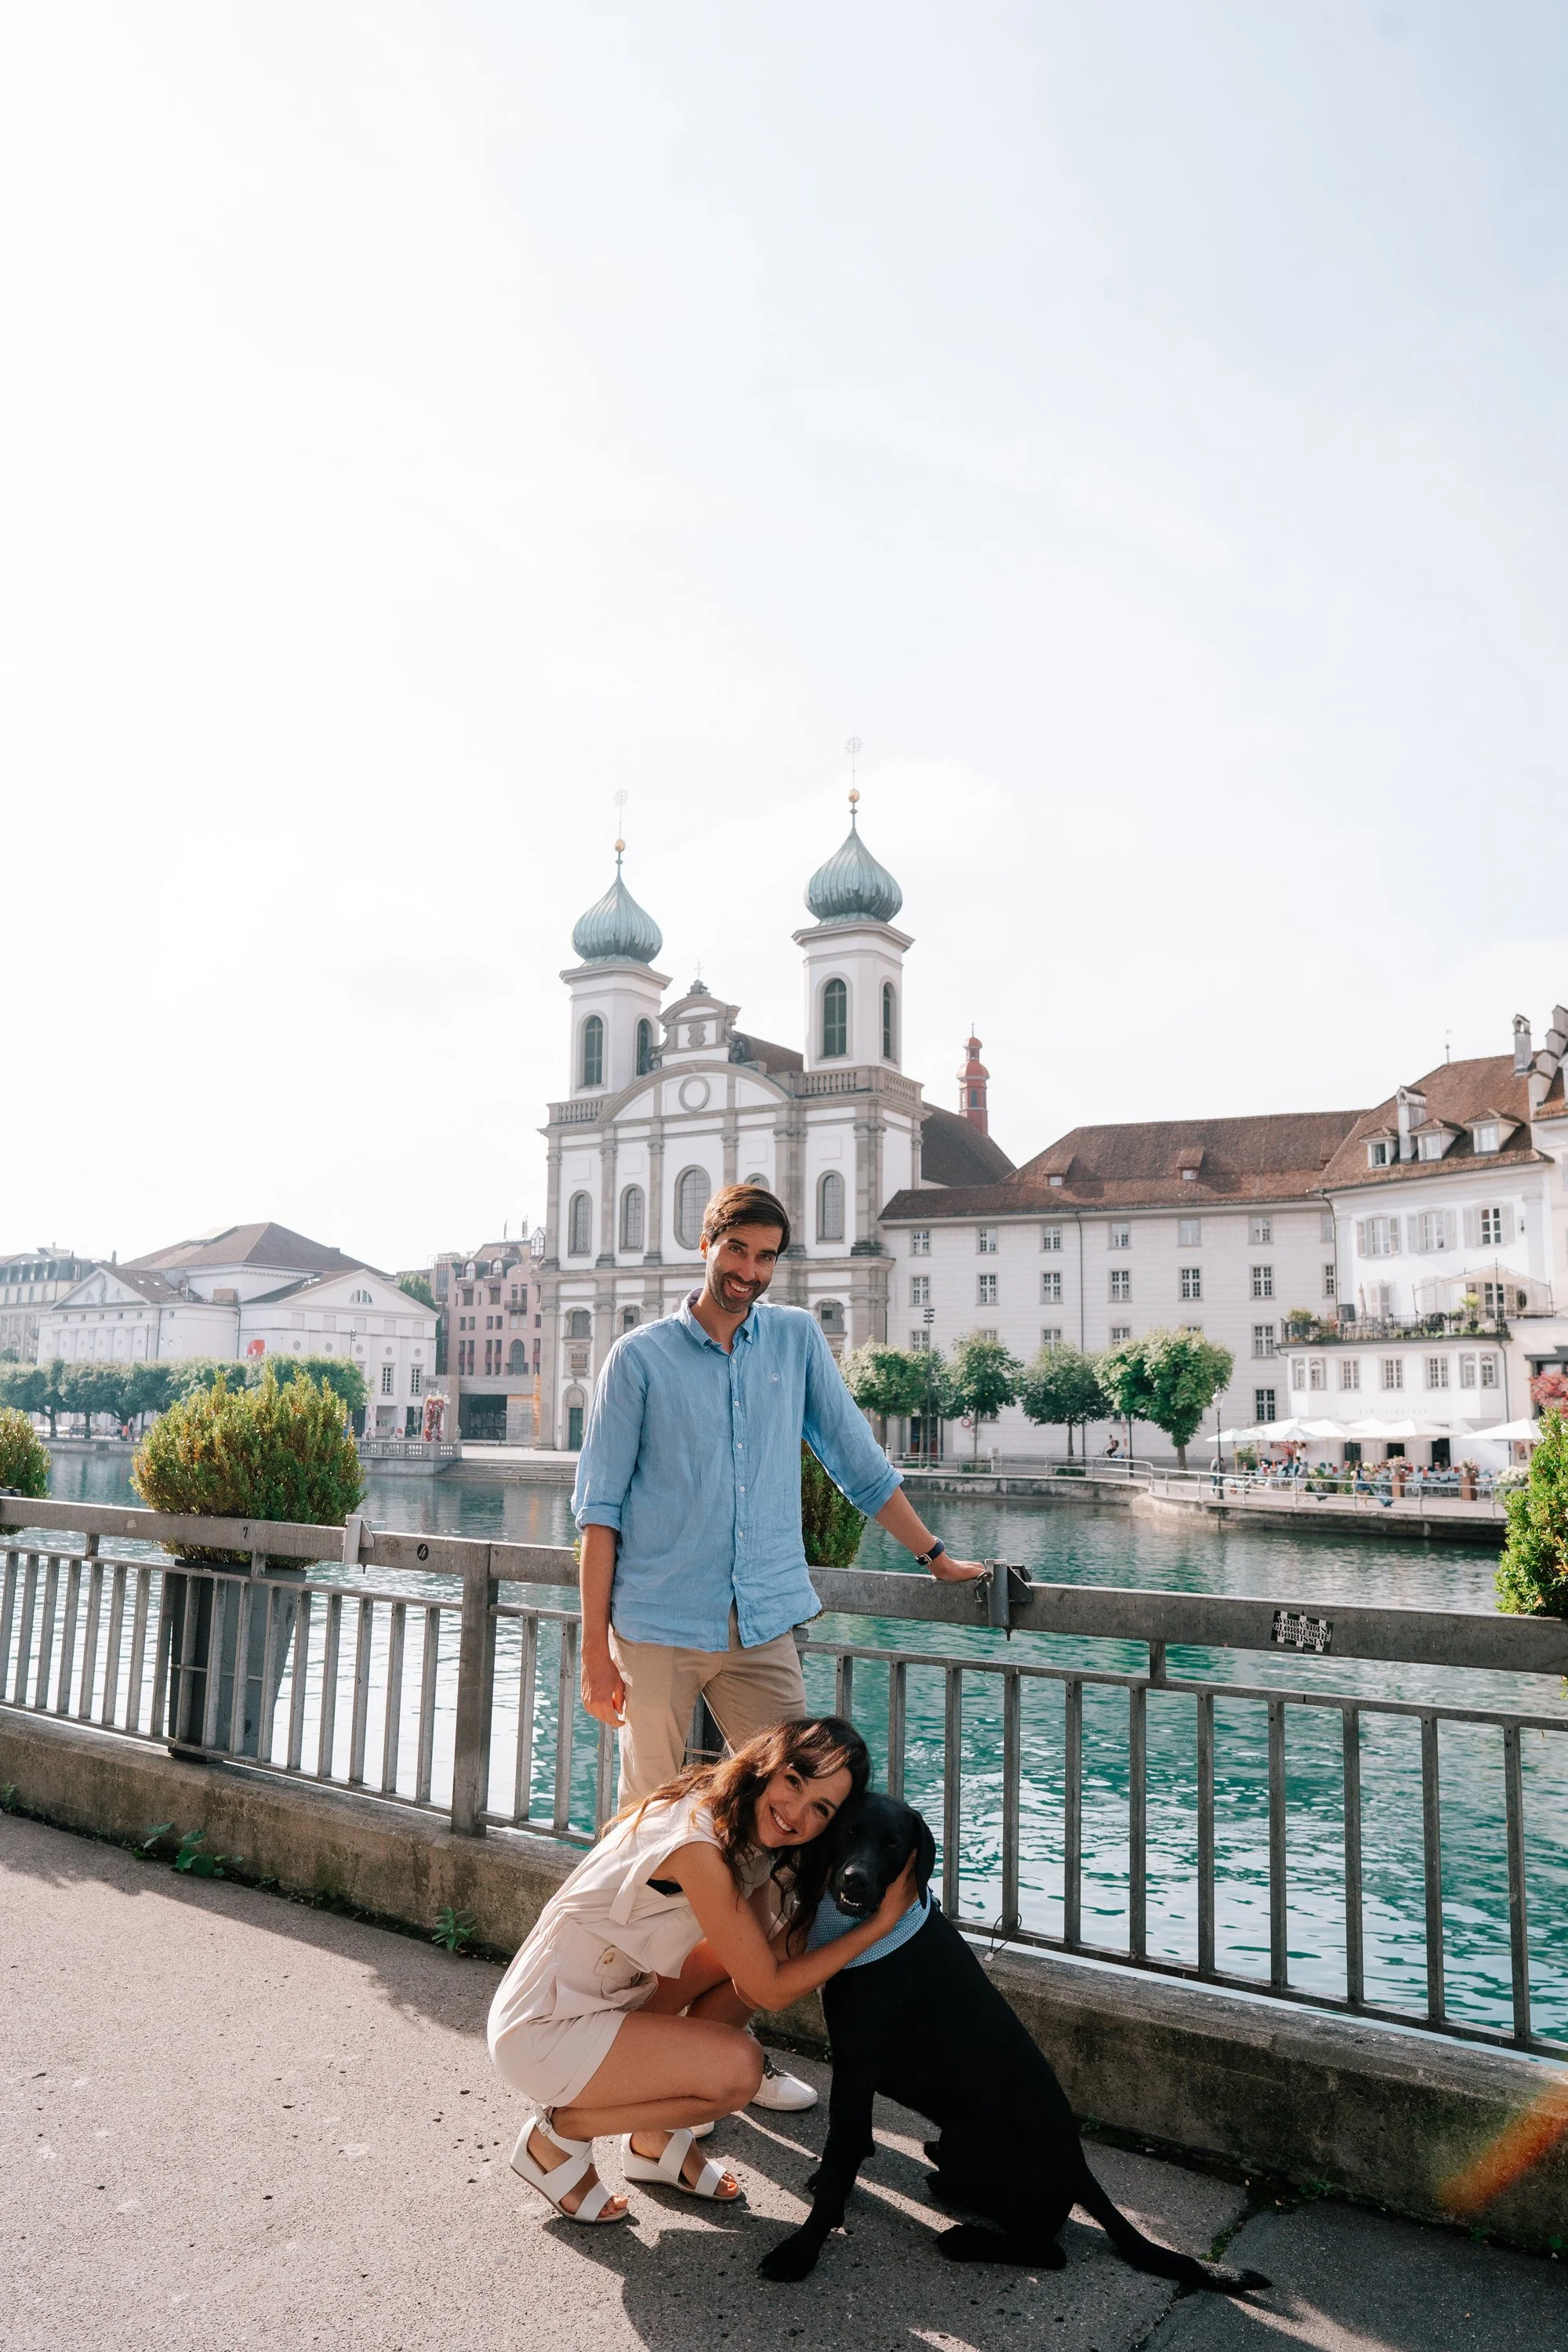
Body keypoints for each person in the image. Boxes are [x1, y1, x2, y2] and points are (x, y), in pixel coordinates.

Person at [572, 1182, 983, 2111]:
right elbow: (596, 1515)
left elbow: (852, 1457)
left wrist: (933, 1553)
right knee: (652, 1843)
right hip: (659, 1626)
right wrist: (596, 1653)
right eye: (738, 1254)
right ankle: (618, 2038)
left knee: (795, 1833)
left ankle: (717, 2031)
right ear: (706, 1243)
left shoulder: (792, 1339)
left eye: (765, 1260)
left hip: (762, 1625)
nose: (749, 1275)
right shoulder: (637, 1359)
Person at [488, 1715, 916, 2224]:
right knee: (739, 2073)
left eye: (820, 1809)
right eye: (794, 1781)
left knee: (749, 1956)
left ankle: (653, 2137)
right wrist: (879, 1924)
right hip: (545, 2027)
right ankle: (560, 2133)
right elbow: (773, 1990)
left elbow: (757, 1971)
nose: (796, 1812)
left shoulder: (742, 1825)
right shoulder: (699, 1844)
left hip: (605, 1994)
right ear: (769, 1764)